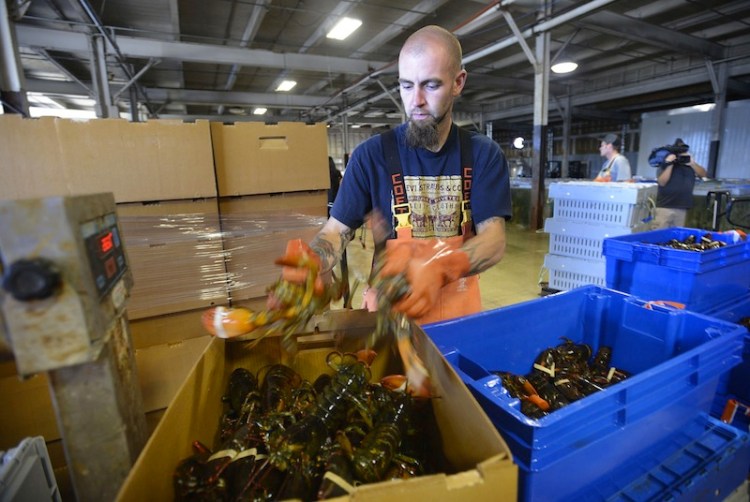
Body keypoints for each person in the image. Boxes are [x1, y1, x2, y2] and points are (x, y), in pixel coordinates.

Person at [288, 25, 512, 324]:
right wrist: (312, 262)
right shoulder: (371, 156)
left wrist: (439, 267)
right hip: (389, 323)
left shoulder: (484, 155)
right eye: (406, 85)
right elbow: (335, 231)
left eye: (431, 85)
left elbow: (493, 240)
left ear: (458, 82)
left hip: (460, 322)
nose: (415, 100)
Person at [651, 138, 707, 229]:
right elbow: (662, 182)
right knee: (658, 235)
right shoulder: (666, 163)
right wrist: (670, 164)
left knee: (676, 237)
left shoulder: (689, 165)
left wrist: (692, 163)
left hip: (682, 208)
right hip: (665, 207)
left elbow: (703, 174)